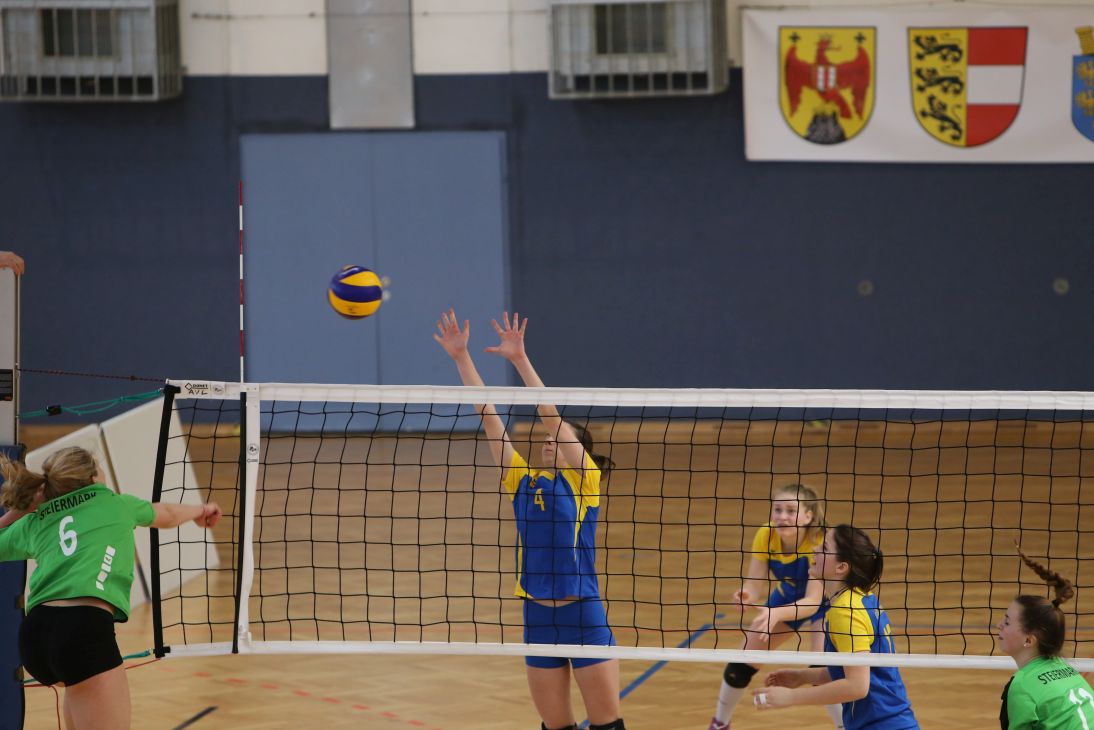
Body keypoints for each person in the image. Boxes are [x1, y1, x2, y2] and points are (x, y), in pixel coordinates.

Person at [433, 309, 624, 730]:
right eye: (545, 439)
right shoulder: (521, 480)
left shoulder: (585, 481)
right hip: (537, 618)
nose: (548, 440)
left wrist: (520, 360)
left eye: (557, 437)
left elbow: (549, 414)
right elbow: (488, 416)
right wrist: (462, 357)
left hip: (583, 614)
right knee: (555, 727)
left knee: (608, 726)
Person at [0, 446, 222, 729]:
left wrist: (17, 513)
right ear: (93, 477)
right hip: (81, 631)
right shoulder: (114, 504)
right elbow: (165, 512)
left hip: (35, 636)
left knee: (77, 681)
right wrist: (201, 510)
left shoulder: (37, 520)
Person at [753, 524, 919, 730]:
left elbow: (857, 686)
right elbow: (850, 671)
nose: (814, 549)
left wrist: (791, 697)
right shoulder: (861, 598)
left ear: (841, 567)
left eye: (824, 548)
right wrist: (802, 676)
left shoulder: (846, 612)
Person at [709, 484, 838, 730]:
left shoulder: (819, 541)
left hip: (826, 604)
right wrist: (747, 595)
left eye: (790, 510)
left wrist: (776, 613)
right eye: (777, 509)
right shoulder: (766, 535)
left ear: (808, 516)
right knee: (741, 663)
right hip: (788, 596)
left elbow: (813, 602)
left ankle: (845, 726)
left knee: (823, 672)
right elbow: (754, 584)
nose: (782, 516)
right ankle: (720, 723)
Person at [997, 546, 1094, 729]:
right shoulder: (1067, 670)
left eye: (1007, 622)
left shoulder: (1022, 685)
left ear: (1029, 640)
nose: (999, 625)